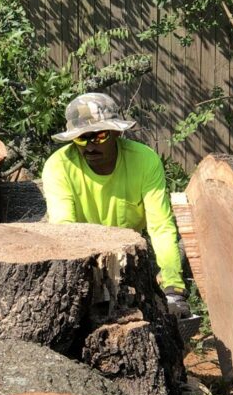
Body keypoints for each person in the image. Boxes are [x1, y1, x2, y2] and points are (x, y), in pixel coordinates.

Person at [42, 92, 191, 319]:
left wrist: (173, 289)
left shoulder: (144, 161)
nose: (90, 145)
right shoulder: (58, 167)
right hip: (81, 263)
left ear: (116, 132)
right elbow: (64, 229)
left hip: (131, 262)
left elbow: (160, 226)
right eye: (82, 138)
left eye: (99, 135)